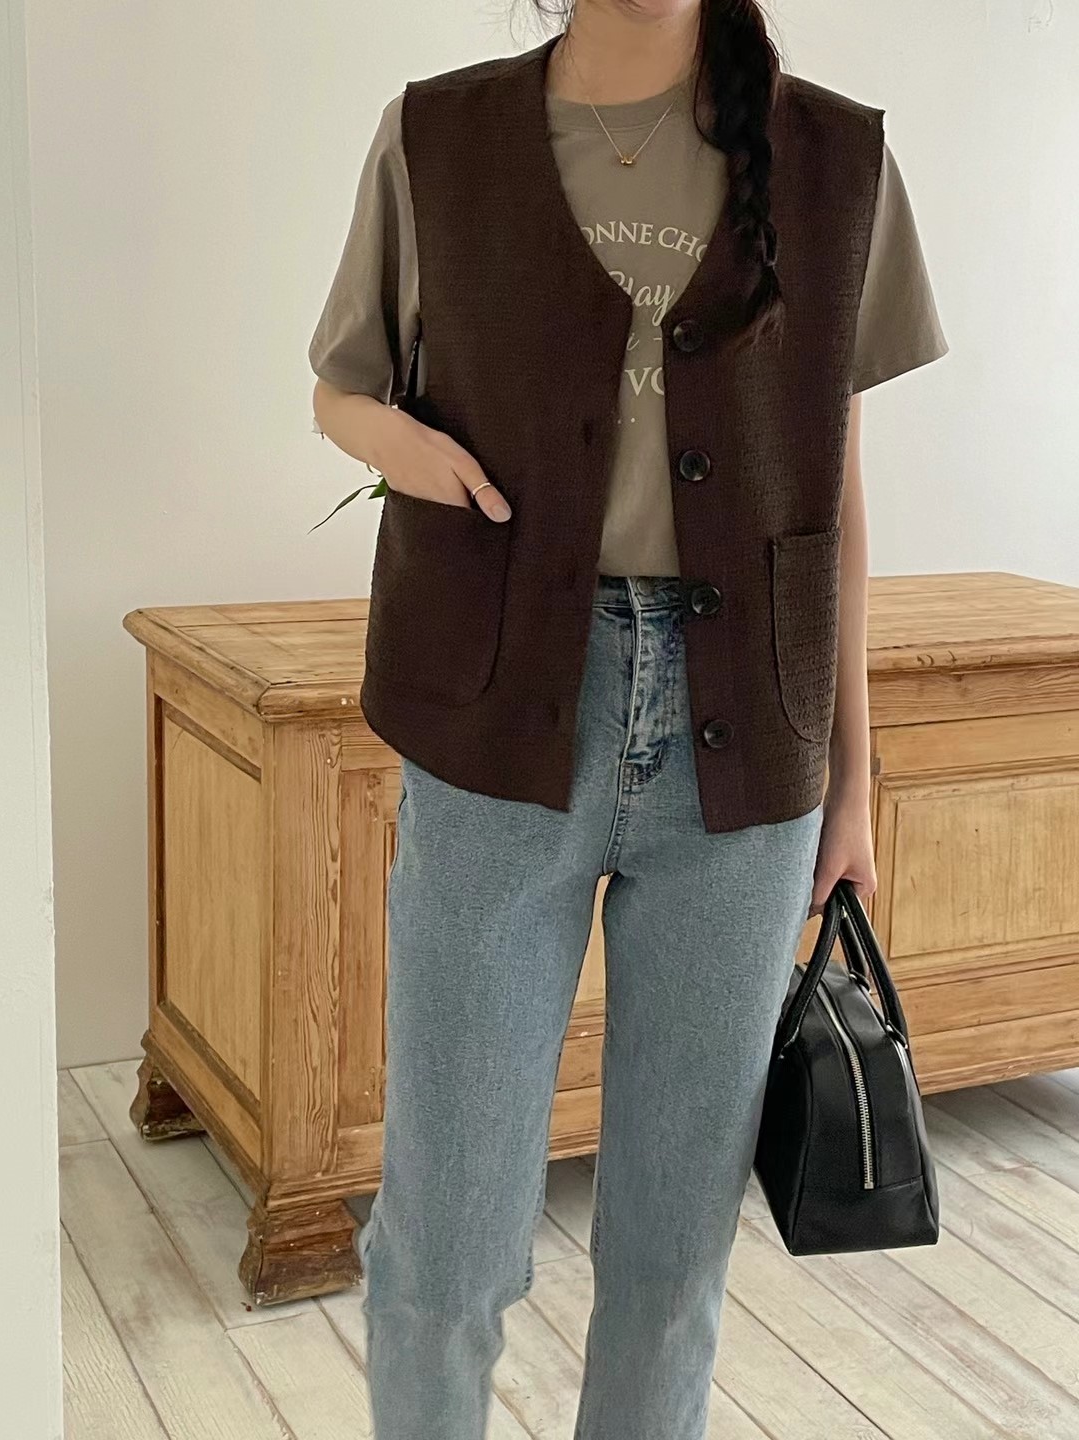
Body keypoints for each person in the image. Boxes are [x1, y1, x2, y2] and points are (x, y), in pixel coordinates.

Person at [308, 2, 948, 1436]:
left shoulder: (838, 159)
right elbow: (340, 387)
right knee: (446, 1248)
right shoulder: (436, 134)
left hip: (747, 749)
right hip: (497, 724)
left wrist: (853, 783)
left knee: (673, 1258)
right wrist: (404, 446)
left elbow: (834, 495)